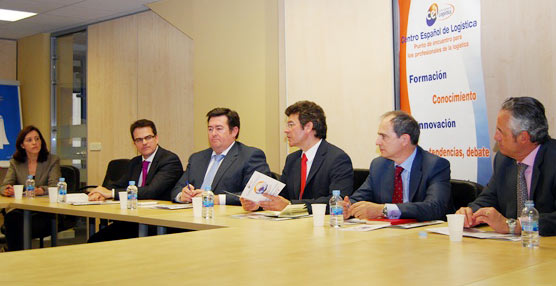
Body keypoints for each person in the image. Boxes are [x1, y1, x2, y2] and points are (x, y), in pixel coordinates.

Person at [457, 97, 556, 236]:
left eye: (500, 131)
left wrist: (516, 226)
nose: (495, 137)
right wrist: (470, 213)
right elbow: (489, 198)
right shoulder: (503, 160)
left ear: (523, 137)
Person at [241, 101, 353, 213]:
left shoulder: (337, 159)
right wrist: (258, 204)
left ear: (308, 127)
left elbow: (338, 201)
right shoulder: (292, 159)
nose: (286, 130)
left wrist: (291, 206)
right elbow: (281, 196)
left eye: (291, 125)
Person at [344, 111, 451, 221]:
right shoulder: (379, 165)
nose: (377, 142)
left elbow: (435, 208)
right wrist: (348, 206)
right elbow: (360, 197)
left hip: (424, 235)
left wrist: (384, 210)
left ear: (404, 140)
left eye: (384, 136)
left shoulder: (434, 165)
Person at [88, 119, 183, 242]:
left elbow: (151, 191)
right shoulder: (135, 162)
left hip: (158, 224)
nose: (144, 142)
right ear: (134, 143)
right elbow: (118, 184)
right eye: (139, 140)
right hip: (133, 219)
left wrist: (110, 193)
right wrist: (100, 193)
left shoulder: (169, 160)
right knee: (95, 241)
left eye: (148, 137)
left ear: (156, 138)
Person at [171, 108, 271, 205]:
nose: (213, 133)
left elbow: (257, 194)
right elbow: (176, 189)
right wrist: (182, 195)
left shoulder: (250, 156)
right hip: (191, 214)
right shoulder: (197, 158)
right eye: (210, 129)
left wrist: (217, 199)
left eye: (219, 129)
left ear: (234, 131)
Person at [0, 126, 61, 251]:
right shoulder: (15, 162)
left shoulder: (52, 160)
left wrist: (41, 190)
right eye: (29, 140)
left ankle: (15, 254)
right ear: (22, 145)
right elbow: (5, 184)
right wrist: (6, 190)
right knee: (12, 219)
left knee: (18, 224)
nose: (34, 143)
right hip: (22, 210)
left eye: (37, 139)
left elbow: (55, 186)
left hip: (44, 212)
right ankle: (16, 257)